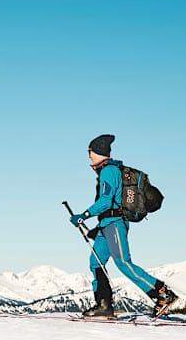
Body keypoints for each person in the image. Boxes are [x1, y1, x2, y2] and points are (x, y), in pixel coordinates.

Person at [69, 134, 179, 318]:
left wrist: (84, 216)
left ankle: (162, 293)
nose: (89, 155)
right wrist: (98, 228)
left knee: (123, 263)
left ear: (98, 151)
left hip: (115, 224)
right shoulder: (107, 171)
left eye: (90, 151)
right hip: (106, 224)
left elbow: (106, 201)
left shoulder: (108, 171)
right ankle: (104, 305)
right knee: (96, 263)